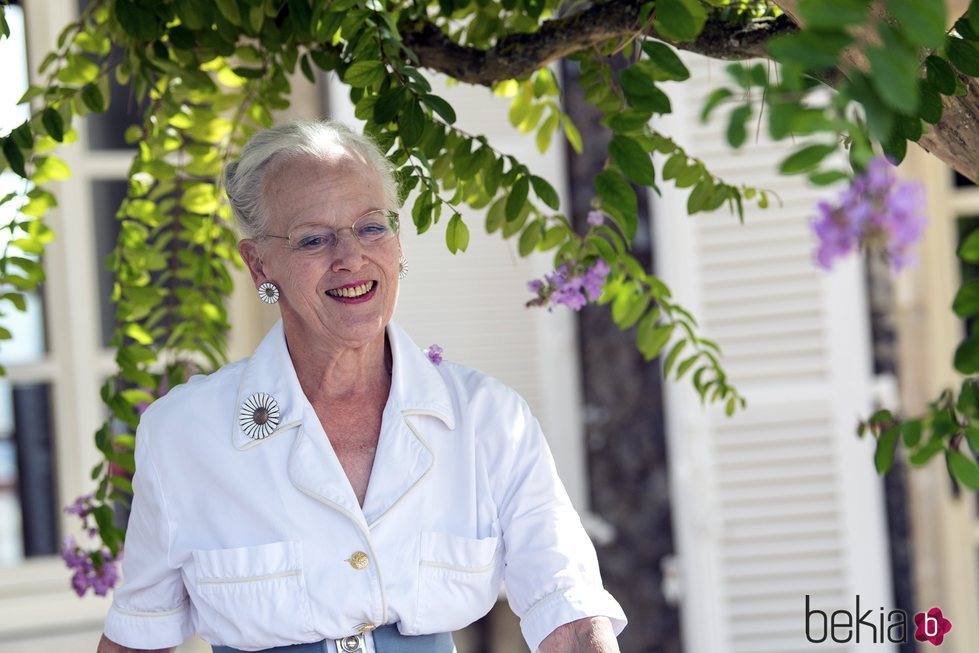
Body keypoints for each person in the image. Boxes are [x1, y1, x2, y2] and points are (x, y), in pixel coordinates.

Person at [97, 120, 627, 653]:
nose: (350, 257)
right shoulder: (184, 436)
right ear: (260, 265)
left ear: (397, 242)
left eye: (371, 227)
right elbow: (139, 637)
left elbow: (573, 618)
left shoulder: (490, 421)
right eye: (313, 239)